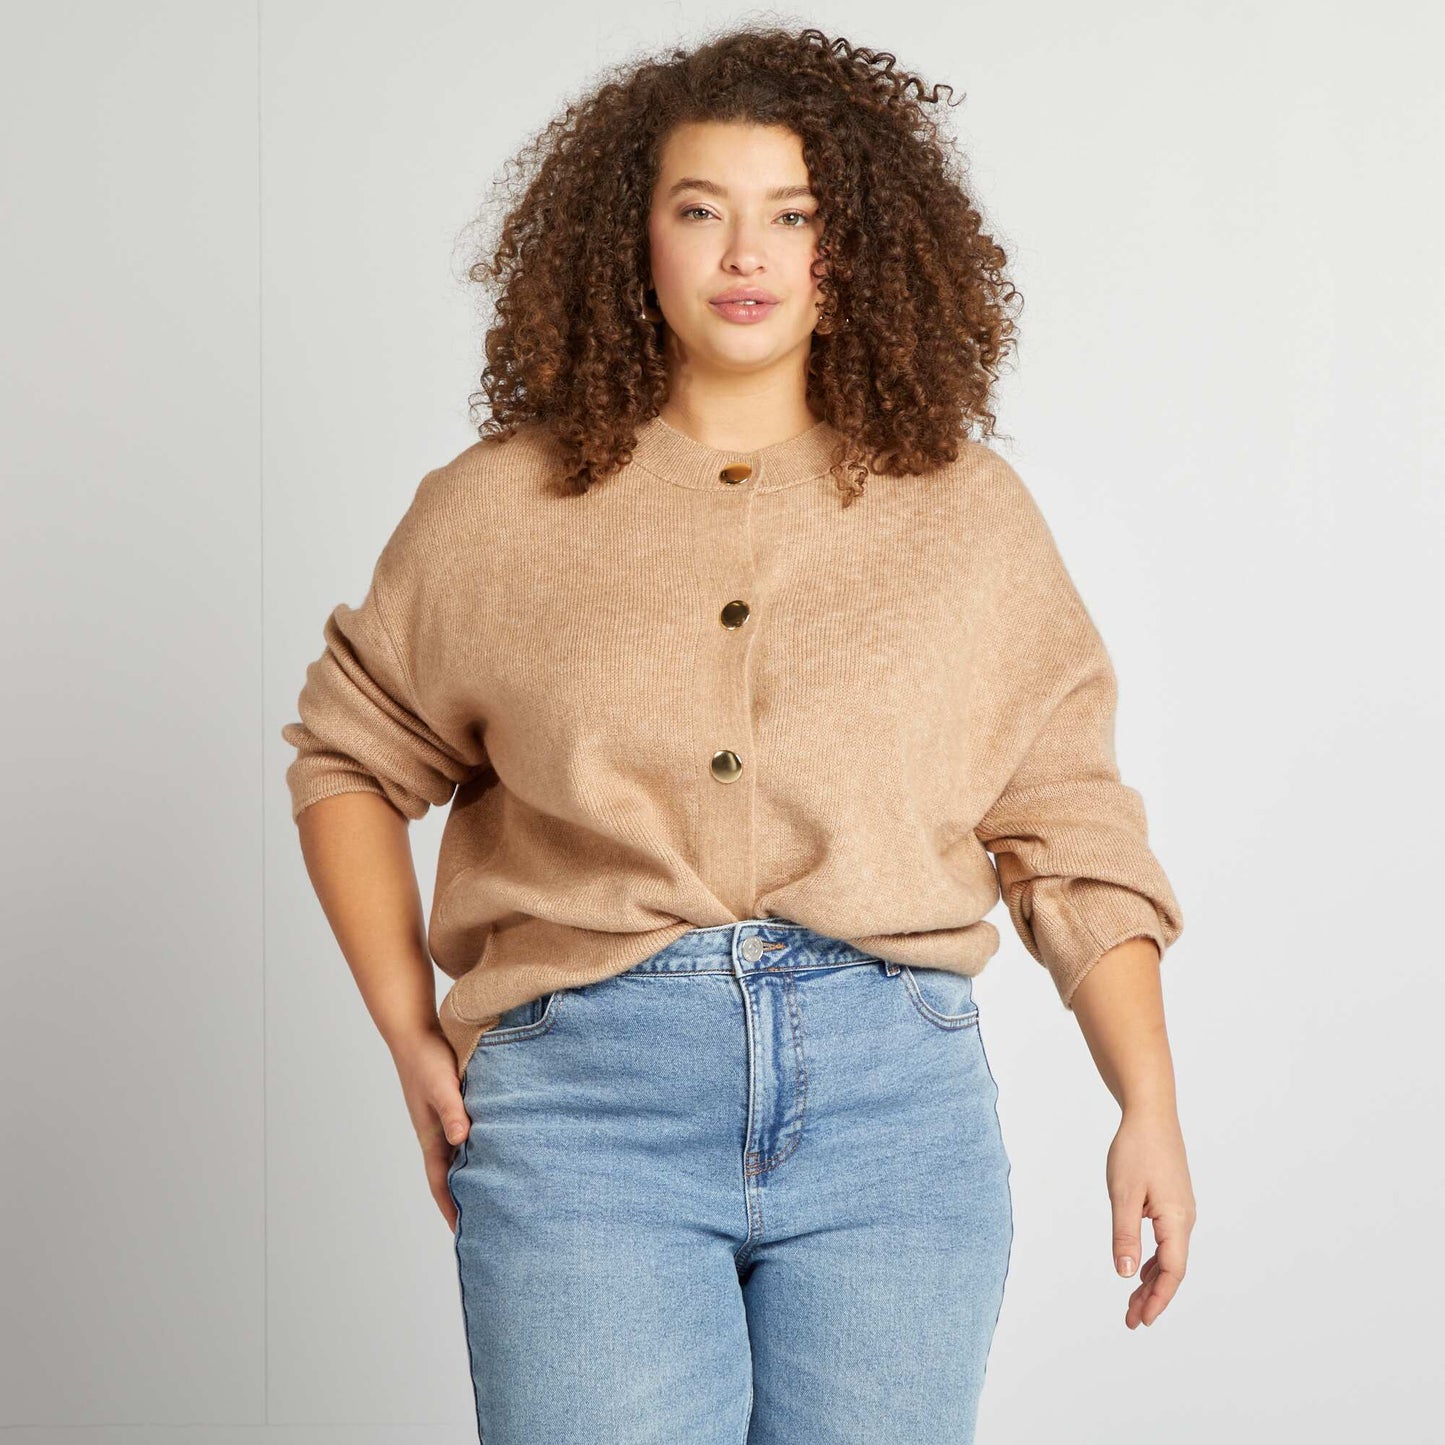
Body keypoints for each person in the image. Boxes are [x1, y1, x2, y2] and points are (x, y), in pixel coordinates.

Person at [281, 24, 1195, 1445]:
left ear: (855, 251)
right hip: (587, 1110)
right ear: (632, 240)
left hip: (894, 1117)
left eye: (795, 216)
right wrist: (409, 1030)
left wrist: (1147, 1100)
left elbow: (1065, 820)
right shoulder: (498, 508)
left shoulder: (964, 515)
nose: (746, 254)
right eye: (701, 209)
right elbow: (350, 753)